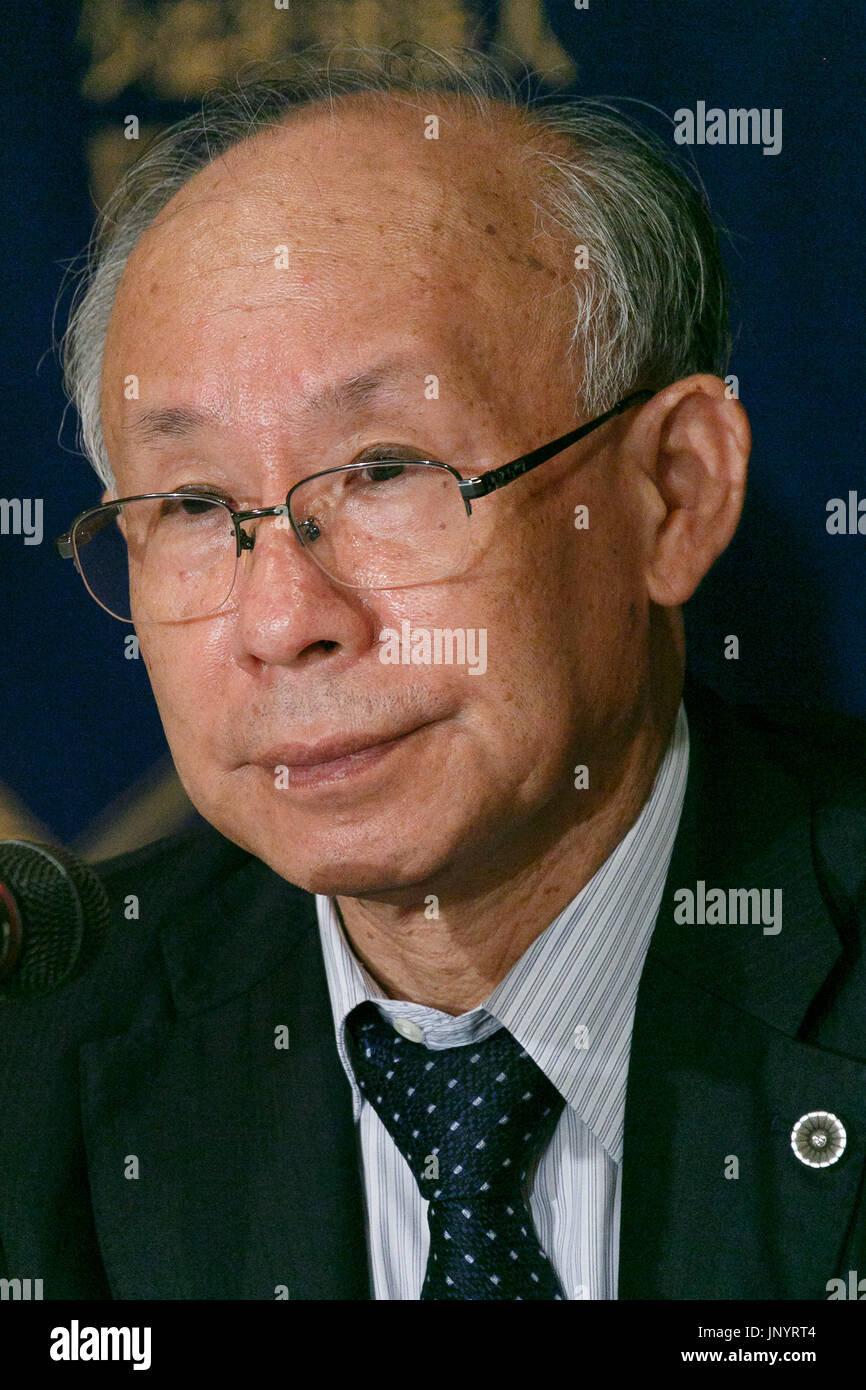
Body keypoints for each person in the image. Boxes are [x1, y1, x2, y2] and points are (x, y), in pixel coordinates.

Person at [2, 48, 864, 1301]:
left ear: (670, 492)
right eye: (192, 503)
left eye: (387, 469)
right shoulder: (37, 1054)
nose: (283, 618)